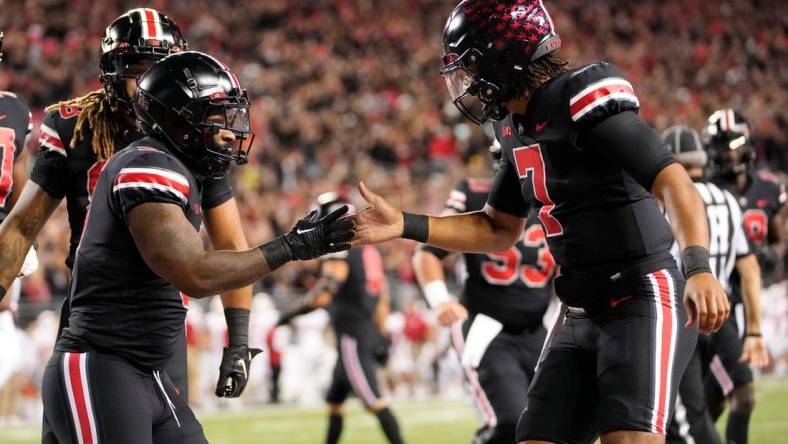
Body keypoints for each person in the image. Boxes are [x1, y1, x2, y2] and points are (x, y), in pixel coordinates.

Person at [352, 1, 729, 442]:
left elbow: (673, 182)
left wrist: (699, 267)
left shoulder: (580, 97)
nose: (468, 79)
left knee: (629, 438)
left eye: (472, 63)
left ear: (505, 53)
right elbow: (498, 228)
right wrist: (404, 224)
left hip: (641, 294)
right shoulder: (513, 126)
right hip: (578, 309)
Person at [40, 50, 354, 443]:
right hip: (100, 366)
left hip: (148, 372)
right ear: (176, 121)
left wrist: (239, 341)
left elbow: (231, 248)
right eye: (216, 119)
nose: (230, 132)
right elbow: (196, 273)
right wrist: (290, 247)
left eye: (231, 119)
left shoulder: (184, 168)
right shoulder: (146, 166)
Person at [0, 9, 257, 404]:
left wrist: (238, 341)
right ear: (111, 72)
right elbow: (21, 227)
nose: (150, 79)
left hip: (162, 315)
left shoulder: (195, 131)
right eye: (139, 67)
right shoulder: (75, 126)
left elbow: (231, 243)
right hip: (90, 314)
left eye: (162, 66)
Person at [412, 139, 554, 444]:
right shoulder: (475, 194)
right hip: (487, 326)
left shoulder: (555, 200)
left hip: (538, 331)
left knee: (553, 425)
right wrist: (440, 300)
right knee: (508, 423)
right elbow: (428, 253)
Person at [661, 125, 769, 444]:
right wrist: (754, 329)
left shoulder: (662, 200)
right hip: (720, 317)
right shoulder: (727, 199)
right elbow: (748, 267)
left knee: (687, 419)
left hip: (681, 317)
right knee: (732, 397)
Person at [276, 192, 404, 444]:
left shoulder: (341, 249)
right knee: (334, 402)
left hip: (352, 336)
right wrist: (382, 335)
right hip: (365, 329)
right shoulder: (368, 250)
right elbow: (382, 297)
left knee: (373, 401)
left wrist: (291, 313)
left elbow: (325, 294)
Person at [704, 109, 784, 443]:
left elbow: (778, 240)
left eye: (735, 144)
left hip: (744, 302)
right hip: (715, 303)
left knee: (730, 397)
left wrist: (769, 256)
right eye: (722, 147)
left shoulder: (767, 188)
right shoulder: (707, 191)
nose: (729, 154)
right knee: (712, 401)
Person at [0, 29, 37, 392]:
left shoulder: (12, 107)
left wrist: (19, 237)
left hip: (1, 236)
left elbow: (20, 188)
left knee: (6, 346)